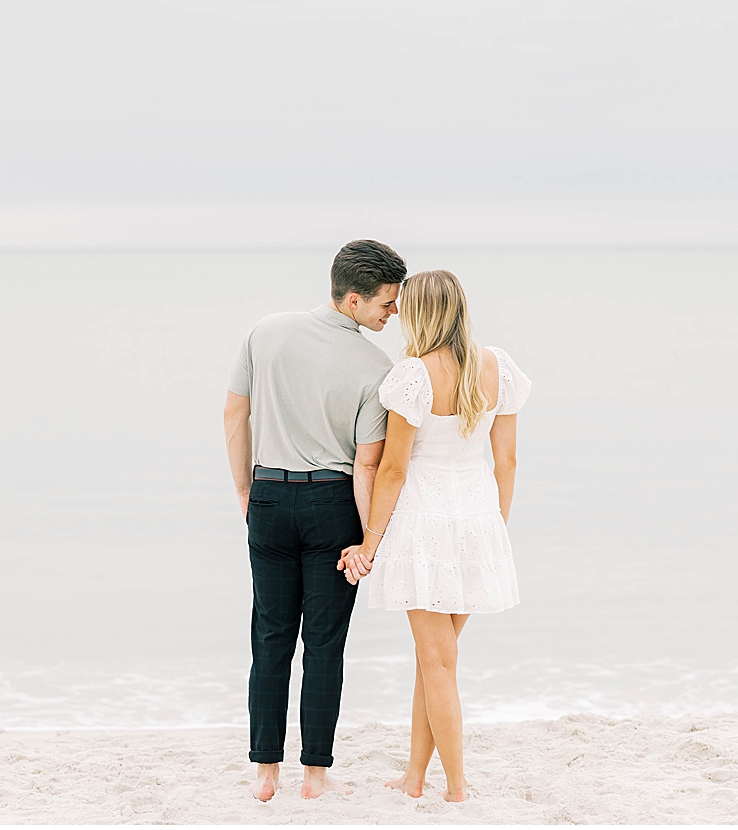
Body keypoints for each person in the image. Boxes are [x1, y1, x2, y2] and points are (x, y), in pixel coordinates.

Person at [222, 239, 407, 801]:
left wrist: (246, 492)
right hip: (332, 503)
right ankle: (315, 775)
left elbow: (234, 413)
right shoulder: (377, 368)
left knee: (270, 637)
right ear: (354, 300)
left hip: (268, 497)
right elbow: (367, 465)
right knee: (325, 644)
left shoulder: (265, 331)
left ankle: (265, 771)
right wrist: (369, 540)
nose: (393, 312)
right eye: (386, 303)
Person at [340, 269, 531, 803]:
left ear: (422, 313)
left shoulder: (414, 375)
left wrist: (370, 542)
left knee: (437, 662)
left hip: (424, 527)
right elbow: (507, 462)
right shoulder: (497, 366)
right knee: (437, 661)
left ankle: (456, 788)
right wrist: (496, 529)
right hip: (477, 523)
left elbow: (393, 469)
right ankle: (415, 776)